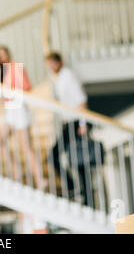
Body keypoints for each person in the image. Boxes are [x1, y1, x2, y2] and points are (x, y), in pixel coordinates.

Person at [0, 46, 45, 190]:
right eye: (0, 56)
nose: (3, 58)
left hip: (19, 108)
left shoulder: (16, 67)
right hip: (10, 110)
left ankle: (39, 179)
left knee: (27, 146)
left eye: (4, 54)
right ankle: (17, 170)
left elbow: (27, 87)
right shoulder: (1, 72)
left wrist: (13, 91)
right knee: (0, 140)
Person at [45, 52, 91, 204]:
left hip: (76, 123)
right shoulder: (60, 78)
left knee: (77, 159)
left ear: (59, 62)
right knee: (73, 159)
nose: (50, 67)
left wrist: (83, 124)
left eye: (52, 63)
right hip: (69, 123)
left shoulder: (68, 75)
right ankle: (76, 189)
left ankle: (81, 193)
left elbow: (81, 100)